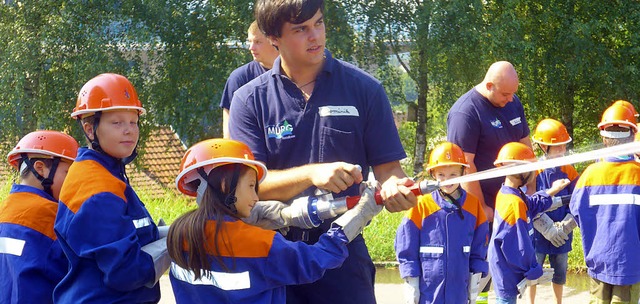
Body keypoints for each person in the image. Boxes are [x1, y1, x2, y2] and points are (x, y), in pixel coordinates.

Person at [228, 1, 417, 303]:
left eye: (318, 23)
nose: (315, 36)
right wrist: (311, 174)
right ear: (272, 36)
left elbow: (389, 170)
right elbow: (247, 189)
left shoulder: (365, 90)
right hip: (270, 254)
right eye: (301, 29)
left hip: (344, 253)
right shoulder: (249, 100)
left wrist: (396, 187)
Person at [167, 138, 382, 303]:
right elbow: (315, 260)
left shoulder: (180, 235)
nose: (256, 197)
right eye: (251, 186)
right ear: (225, 185)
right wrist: (360, 215)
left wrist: (281, 214)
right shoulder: (259, 243)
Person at [54, 73, 170, 303]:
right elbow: (126, 272)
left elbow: (138, 236)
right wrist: (179, 242)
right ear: (89, 129)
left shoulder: (109, 173)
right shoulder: (96, 188)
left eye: (133, 122)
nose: (129, 130)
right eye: (117, 122)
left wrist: (187, 228)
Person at [395, 142, 489, 304]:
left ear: (463, 172)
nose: (447, 180)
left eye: (453, 174)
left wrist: (476, 277)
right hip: (428, 294)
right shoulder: (421, 205)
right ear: (433, 174)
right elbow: (406, 244)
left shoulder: (473, 206)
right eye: (441, 175)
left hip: (459, 293)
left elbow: (479, 246)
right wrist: (411, 281)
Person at [570, 104, 640, 304]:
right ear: (632, 135)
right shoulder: (638, 174)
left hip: (598, 262)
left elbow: (576, 212)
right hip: (631, 265)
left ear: (603, 137)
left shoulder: (590, 174)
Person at [447, 61, 532, 223]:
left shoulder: (512, 102)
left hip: (516, 201)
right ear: (489, 86)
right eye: (505, 94)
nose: (510, 99)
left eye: (513, 93)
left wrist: (532, 188)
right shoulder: (465, 113)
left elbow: (525, 144)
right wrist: (482, 208)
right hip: (487, 207)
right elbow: (464, 167)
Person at [0, 130, 78, 304]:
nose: (74, 183)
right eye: (68, 173)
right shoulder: (54, 215)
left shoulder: (4, 209)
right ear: (40, 169)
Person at [488, 142, 570, 304]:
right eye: (531, 169)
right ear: (521, 172)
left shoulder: (509, 193)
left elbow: (532, 205)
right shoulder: (514, 203)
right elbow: (519, 245)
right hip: (507, 271)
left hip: (504, 267)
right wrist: (532, 268)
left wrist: (552, 191)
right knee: (506, 300)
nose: (534, 173)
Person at [528, 118, 579, 304]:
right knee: (533, 271)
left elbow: (578, 201)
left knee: (560, 272)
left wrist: (566, 226)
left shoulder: (570, 171)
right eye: (557, 147)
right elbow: (527, 203)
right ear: (543, 146)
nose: (562, 151)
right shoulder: (533, 171)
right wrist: (544, 226)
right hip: (539, 233)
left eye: (564, 146)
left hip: (562, 233)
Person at [220, 21, 280, 138]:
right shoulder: (239, 79)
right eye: (249, 41)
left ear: (274, 41)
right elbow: (229, 132)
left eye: (258, 42)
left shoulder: (295, 73)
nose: (251, 48)